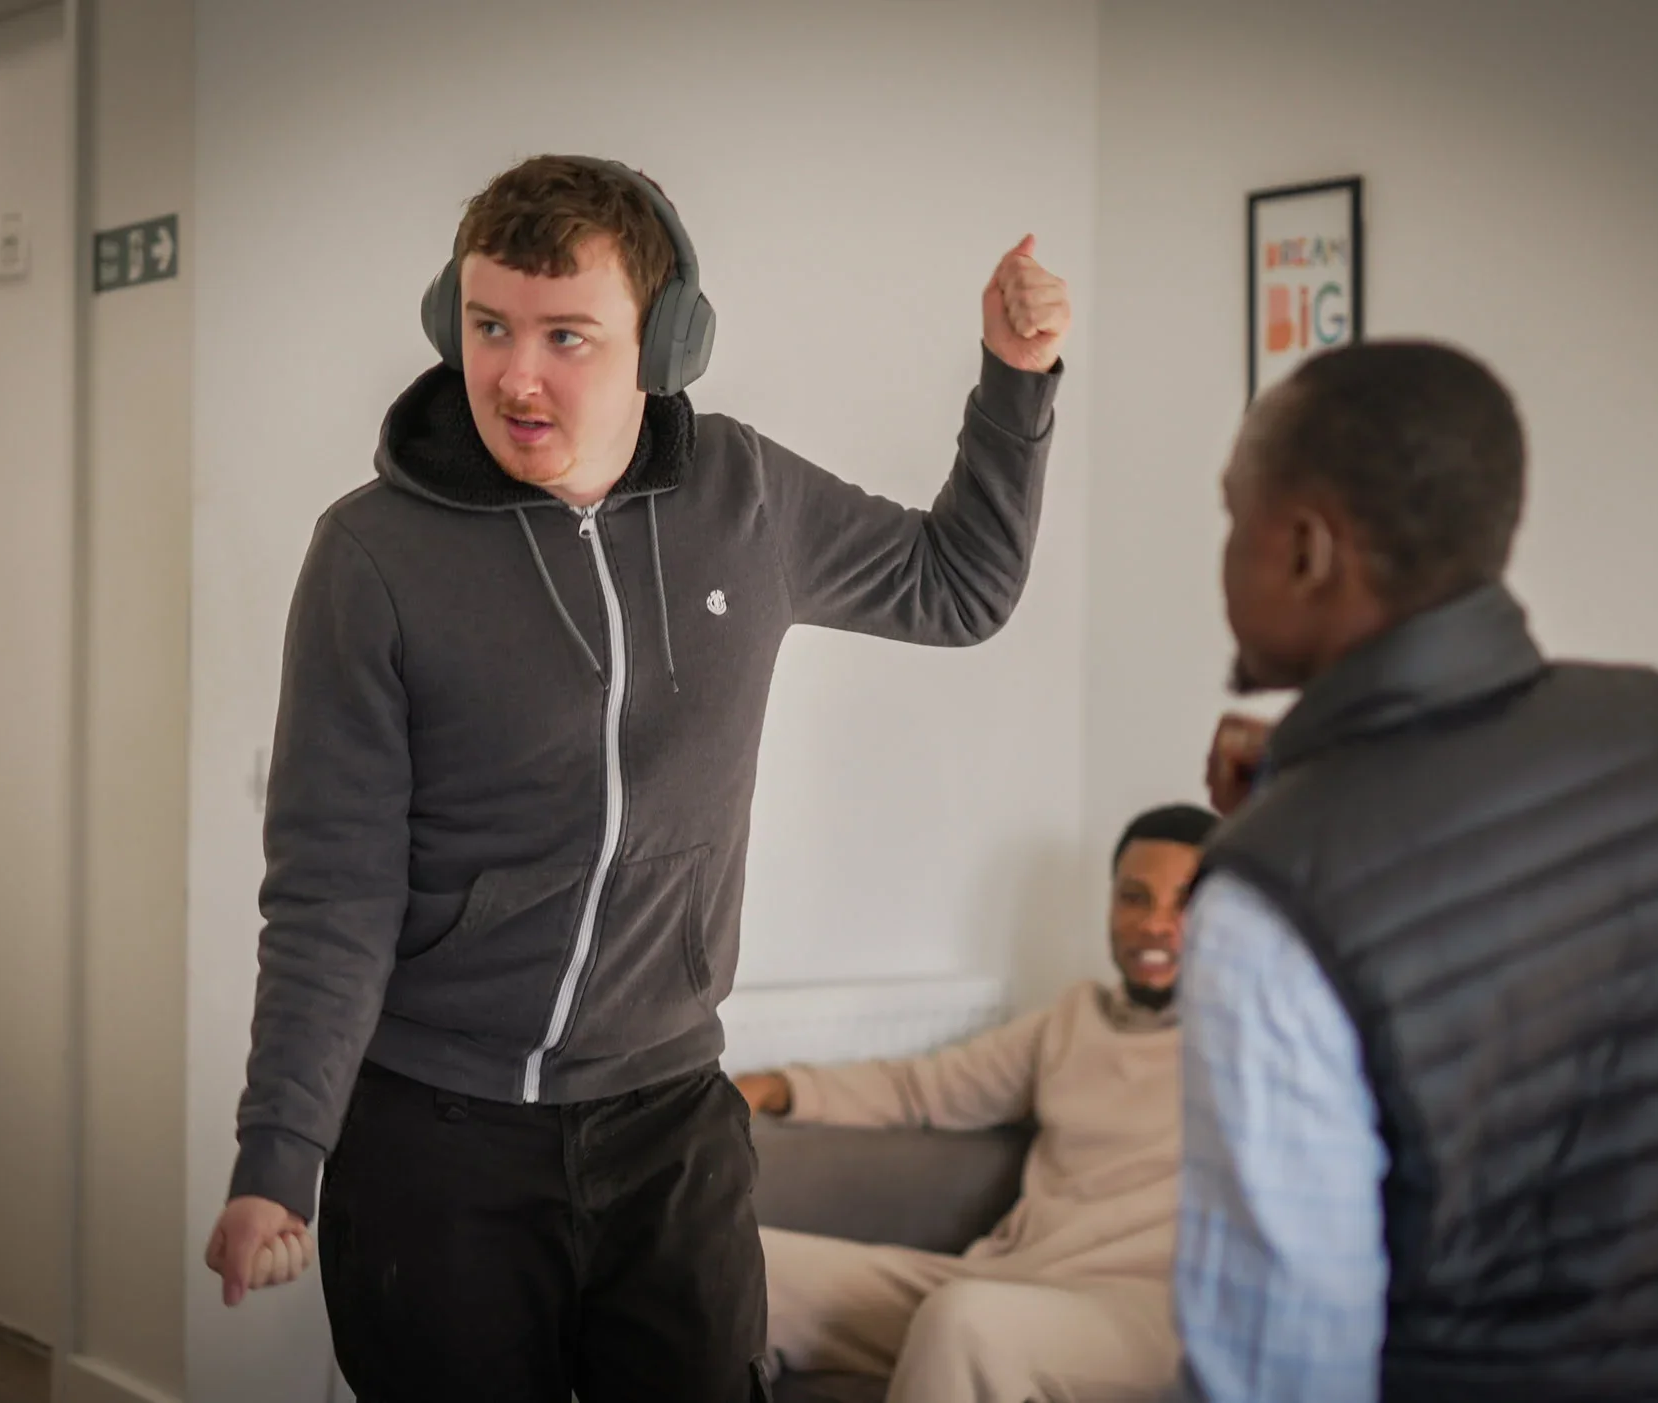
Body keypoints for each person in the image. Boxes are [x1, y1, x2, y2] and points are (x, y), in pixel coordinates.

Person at [201, 154, 1071, 1402]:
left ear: (664, 343)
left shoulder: (747, 496)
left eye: (568, 336)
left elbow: (962, 584)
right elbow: (331, 889)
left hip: (669, 1123)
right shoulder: (372, 554)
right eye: (490, 327)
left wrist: (1017, 376)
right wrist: (279, 1154)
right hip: (434, 1135)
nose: (515, 373)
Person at [1176, 340, 1658, 1403]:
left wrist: (1284, 844)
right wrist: (1296, 800)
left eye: (1235, 516)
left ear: (1309, 549)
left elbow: (1281, 1374)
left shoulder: (1269, 905)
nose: (1224, 551)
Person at [740, 802, 1218, 1403]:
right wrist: (777, 1086)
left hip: (1148, 1315)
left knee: (966, 1320)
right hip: (1014, 1281)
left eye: (1185, 904)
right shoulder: (1071, 1020)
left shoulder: (1246, 1041)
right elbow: (923, 1088)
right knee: (746, 1266)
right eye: (1135, 897)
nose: (1155, 924)